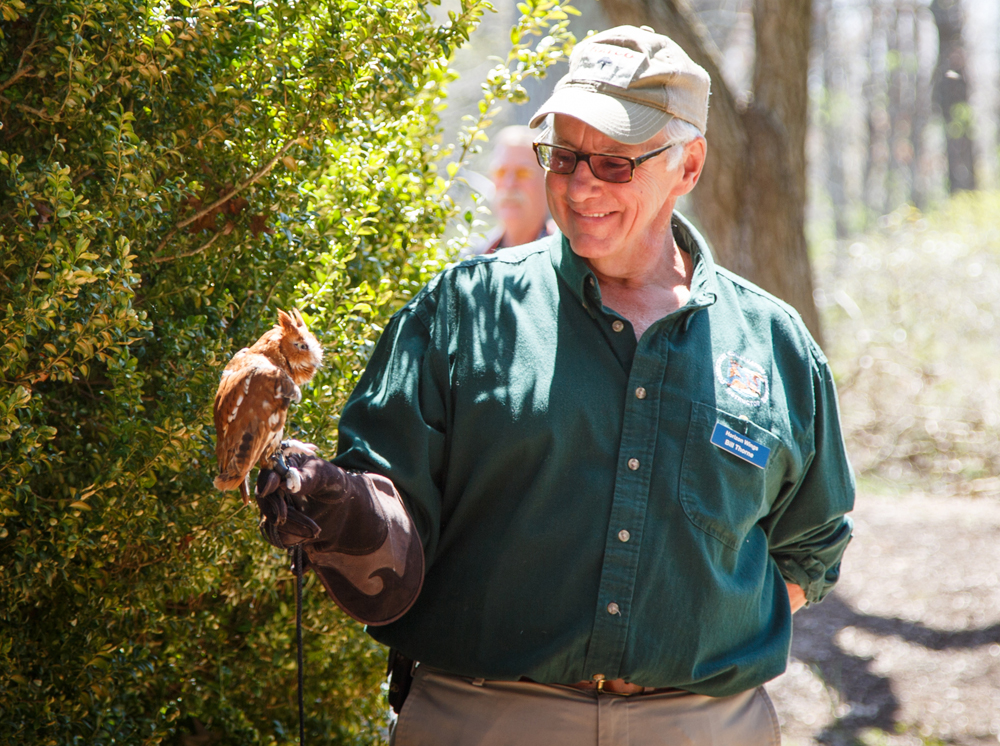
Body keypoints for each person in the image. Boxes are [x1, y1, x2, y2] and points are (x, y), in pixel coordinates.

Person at [255, 25, 855, 746]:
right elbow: (388, 506)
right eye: (562, 155)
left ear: (688, 165)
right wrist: (341, 509)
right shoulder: (463, 311)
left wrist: (689, 655)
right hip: (485, 717)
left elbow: (810, 549)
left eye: (614, 162)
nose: (578, 185)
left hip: (703, 726)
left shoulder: (775, 345)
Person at [470, 125, 553, 255]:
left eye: (523, 173)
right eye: (501, 172)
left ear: (549, 182)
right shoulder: (471, 257)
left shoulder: (567, 256)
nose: (509, 185)